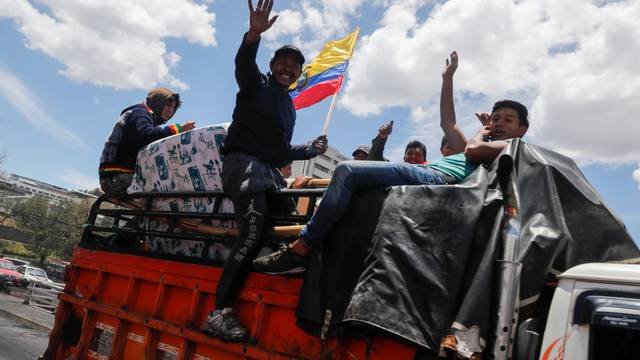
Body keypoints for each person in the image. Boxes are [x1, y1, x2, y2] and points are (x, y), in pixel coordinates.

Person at [253, 51, 530, 274]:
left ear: (522, 129)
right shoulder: (477, 145)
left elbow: (472, 149)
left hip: (436, 178)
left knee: (347, 169)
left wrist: (483, 131)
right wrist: (447, 79)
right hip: (425, 173)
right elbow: (448, 122)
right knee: (349, 184)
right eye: (496, 118)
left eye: (507, 120)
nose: (498, 123)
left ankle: (302, 248)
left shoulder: (510, 147)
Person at [200, 0, 327, 342]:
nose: (288, 69)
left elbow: (279, 151)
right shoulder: (256, 85)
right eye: (282, 63)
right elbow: (243, 65)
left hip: (269, 174)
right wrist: (253, 35)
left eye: (294, 66)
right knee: (252, 234)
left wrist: (310, 150)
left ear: (299, 73)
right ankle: (219, 311)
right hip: (243, 168)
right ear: (271, 66)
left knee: (290, 226)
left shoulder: (289, 106)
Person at [98, 88, 195, 194]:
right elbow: (147, 136)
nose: (170, 110)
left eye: (173, 107)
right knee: (168, 189)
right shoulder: (139, 113)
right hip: (115, 177)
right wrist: (178, 129)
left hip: (120, 176)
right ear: (158, 103)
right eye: (168, 105)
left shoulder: (143, 116)